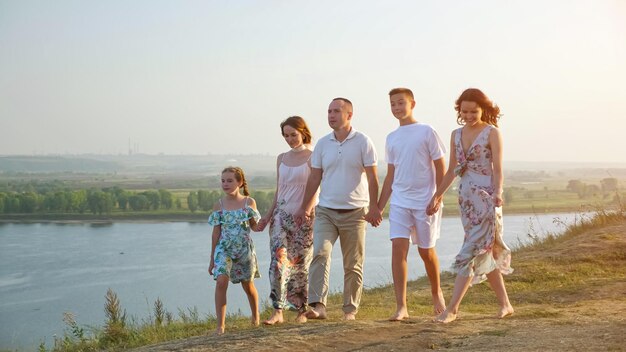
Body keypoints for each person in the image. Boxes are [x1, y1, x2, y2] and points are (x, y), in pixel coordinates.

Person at [427, 88, 514, 323]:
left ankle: (452, 310)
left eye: (473, 111)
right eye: (464, 111)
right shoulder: (455, 134)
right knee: (483, 251)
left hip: (487, 200)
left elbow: (498, 168)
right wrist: (437, 196)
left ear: (482, 109)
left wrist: (498, 193)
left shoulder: (492, 133)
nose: (468, 115)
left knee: (470, 252)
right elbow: (452, 170)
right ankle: (505, 304)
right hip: (466, 200)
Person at [294, 97, 382, 321]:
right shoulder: (323, 144)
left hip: (355, 213)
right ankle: (318, 307)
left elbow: (373, 178)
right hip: (326, 211)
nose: (331, 115)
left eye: (336, 111)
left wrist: (375, 208)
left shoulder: (364, 141)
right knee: (320, 254)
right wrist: (305, 207)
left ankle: (350, 311)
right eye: (329, 111)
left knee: (353, 264)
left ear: (349, 115)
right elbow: (315, 177)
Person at [377, 88, 447, 321]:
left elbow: (440, 168)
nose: (396, 108)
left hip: (425, 201)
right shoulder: (391, 137)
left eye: (400, 103)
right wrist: (379, 206)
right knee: (398, 248)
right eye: (392, 105)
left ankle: (436, 293)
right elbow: (390, 176)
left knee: (426, 252)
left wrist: (437, 197)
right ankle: (401, 306)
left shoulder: (427, 131)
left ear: (412, 103)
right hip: (399, 201)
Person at [257, 116, 317, 325]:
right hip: (280, 217)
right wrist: (267, 215)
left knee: (300, 264)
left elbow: (316, 188)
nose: (290, 139)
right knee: (278, 263)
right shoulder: (281, 158)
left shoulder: (314, 156)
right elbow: (279, 189)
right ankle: (278, 311)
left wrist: (307, 210)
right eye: (286, 135)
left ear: (303, 132)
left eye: (293, 134)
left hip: (305, 218)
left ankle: (301, 311)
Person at [208, 166, 262, 334]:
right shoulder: (219, 205)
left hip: (244, 250)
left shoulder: (249, 202)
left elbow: (254, 227)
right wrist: (212, 260)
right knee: (221, 282)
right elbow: (216, 232)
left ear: (239, 182)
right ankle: (220, 326)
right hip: (224, 250)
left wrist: (266, 221)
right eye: (223, 181)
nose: (225, 184)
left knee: (248, 285)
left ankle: (255, 316)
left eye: (230, 181)